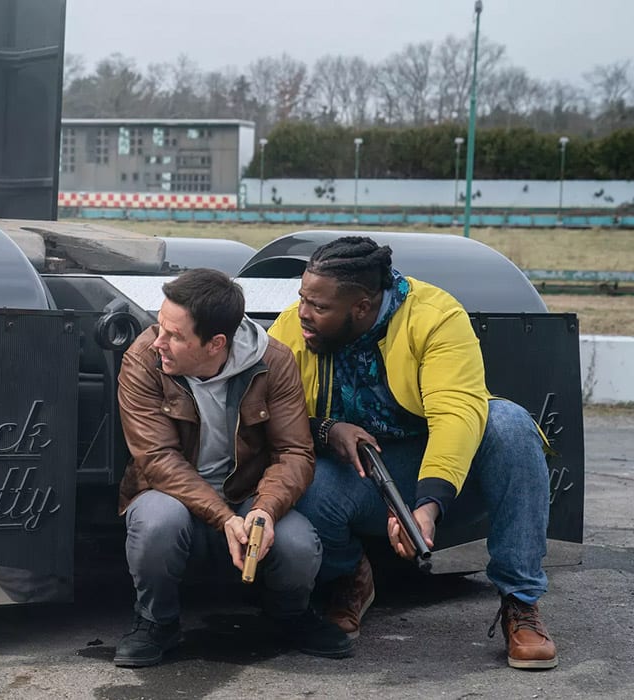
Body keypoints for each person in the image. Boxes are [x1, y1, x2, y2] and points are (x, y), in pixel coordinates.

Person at [267, 236, 558, 670]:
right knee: (305, 483)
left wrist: (428, 504)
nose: (303, 313)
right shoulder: (293, 328)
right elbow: (268, 416)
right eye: (303, 298)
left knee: (509, 424)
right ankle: (351, 576)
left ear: (362, 307)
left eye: (319, 306)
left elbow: (456, 414)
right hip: (366, 475)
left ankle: (520, 600)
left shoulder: (436, 316)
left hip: (448, 480)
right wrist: (327, 430)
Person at [114, 268, 353, 668]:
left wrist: (265, 510)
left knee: (297, 543)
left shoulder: (274, 361)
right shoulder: (144, 359)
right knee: (156, 524)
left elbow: (295, 451)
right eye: (160, 326)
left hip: (247, 494)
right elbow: (156, 459)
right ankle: (156, 621)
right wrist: (224, 518)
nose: (159, 342)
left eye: (174, 335)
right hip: (167, 492)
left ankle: (290, 614)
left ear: (216, 344)